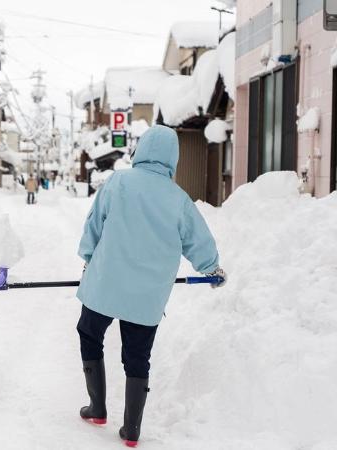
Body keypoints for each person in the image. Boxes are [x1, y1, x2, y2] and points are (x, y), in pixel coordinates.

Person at [75, 125, 226, 447]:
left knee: (89, 333)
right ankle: (132, 430)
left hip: (106, 282)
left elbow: (95, 222)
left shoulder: (118, 182)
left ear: (140, 150)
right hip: (147, 294)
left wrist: (88, 257)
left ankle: (98, 408)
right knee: (137, 356)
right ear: (173, 157)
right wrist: (212, 269)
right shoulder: (178, 199)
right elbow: (198, 240)